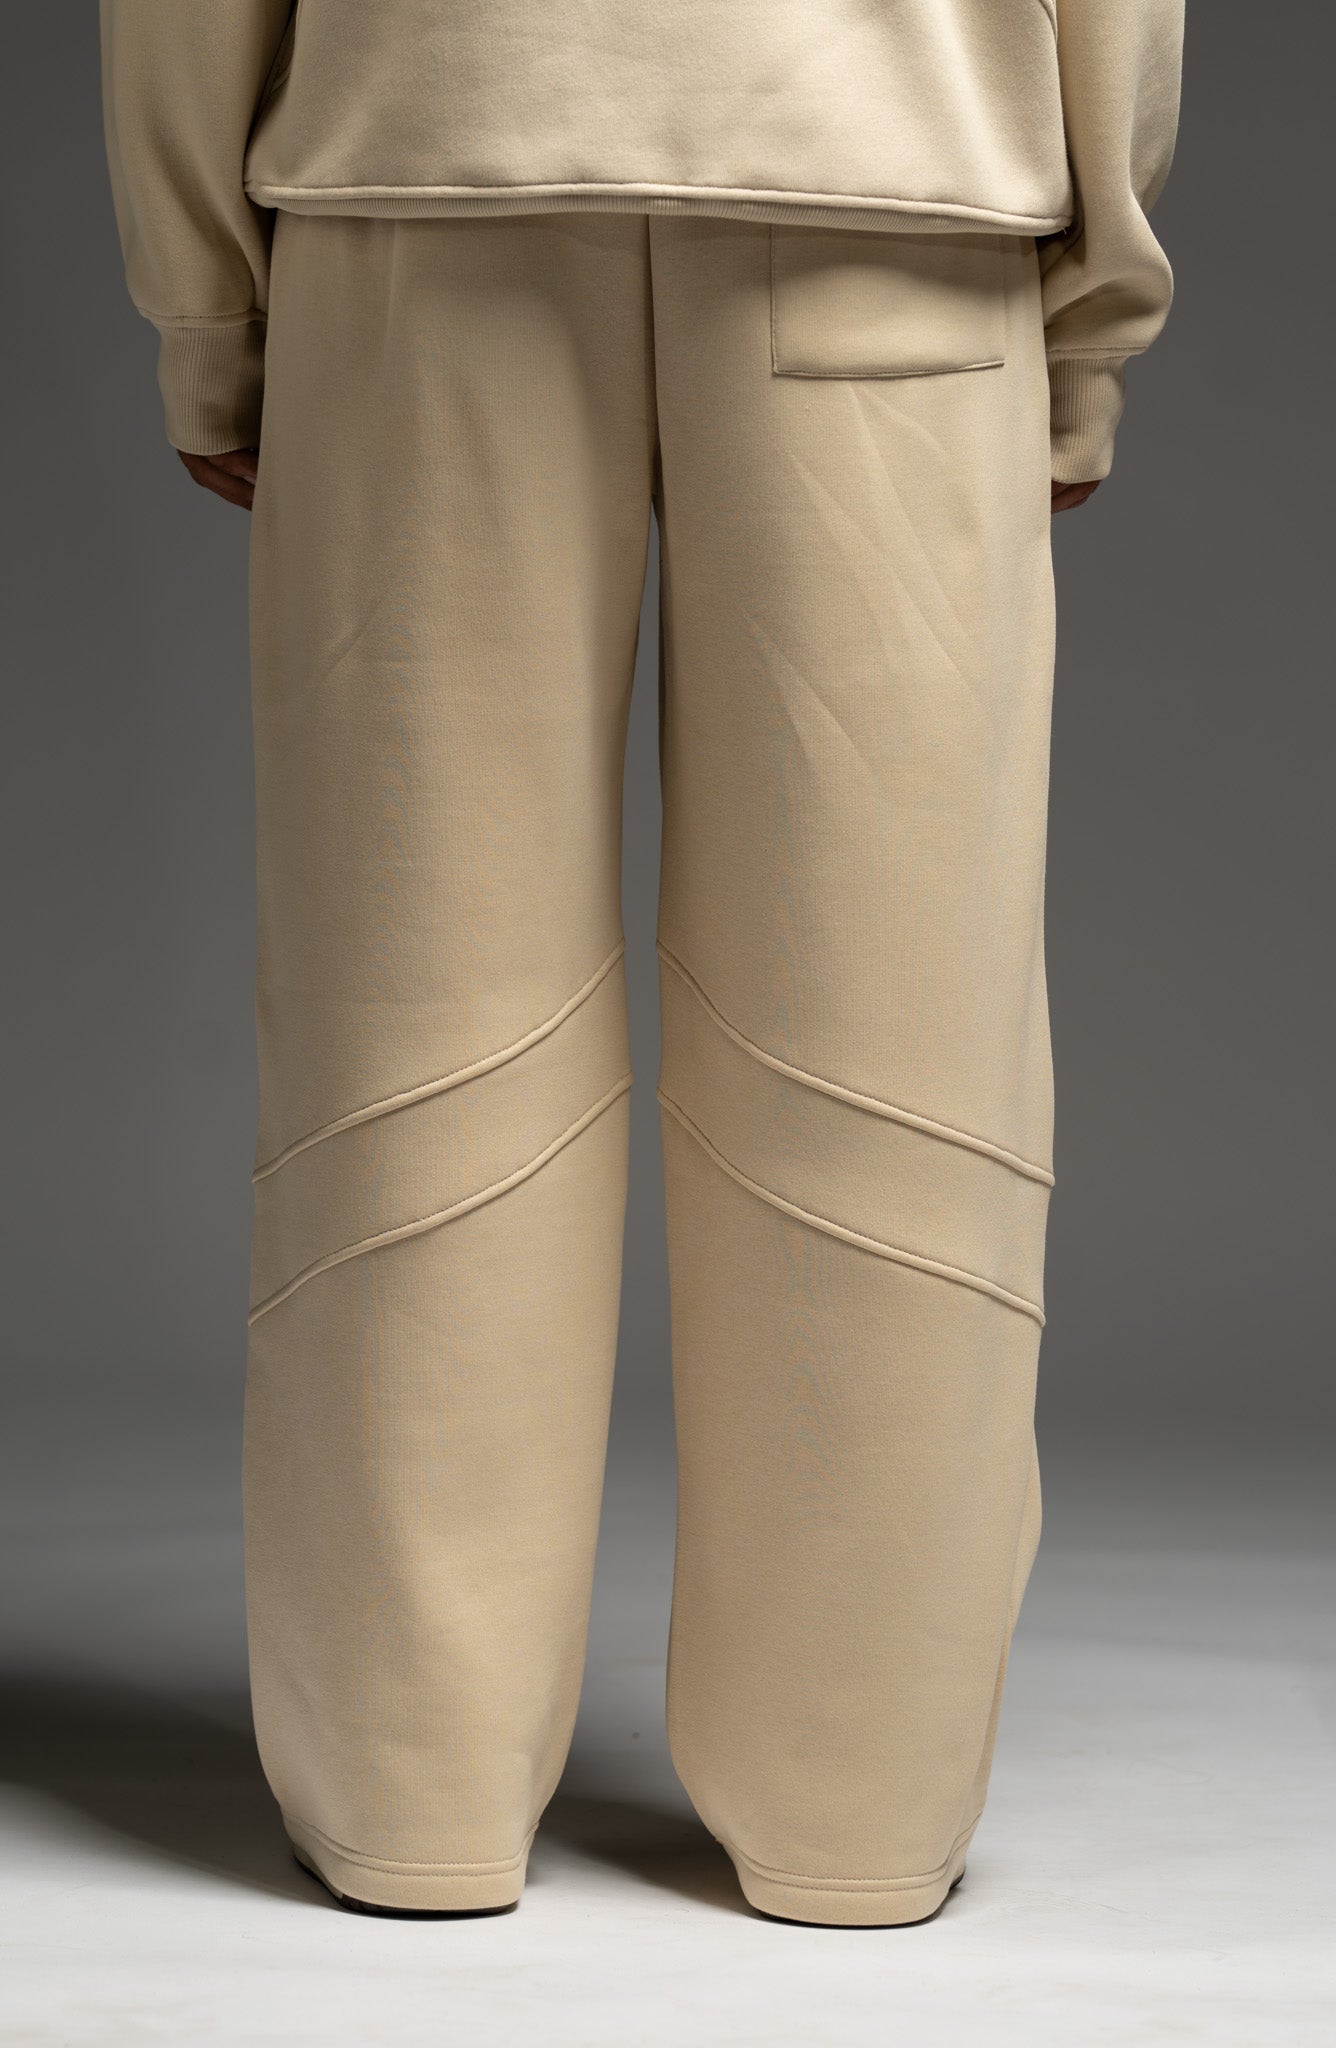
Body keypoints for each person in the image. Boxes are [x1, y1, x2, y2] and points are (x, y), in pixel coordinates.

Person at [99, 0, 1182, 1925]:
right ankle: (858, 1804)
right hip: (899, 177)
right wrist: (1088, 321)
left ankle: (411, 1786)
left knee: (408, 1006)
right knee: (896, 1024)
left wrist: (211, 302)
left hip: (425, 178)